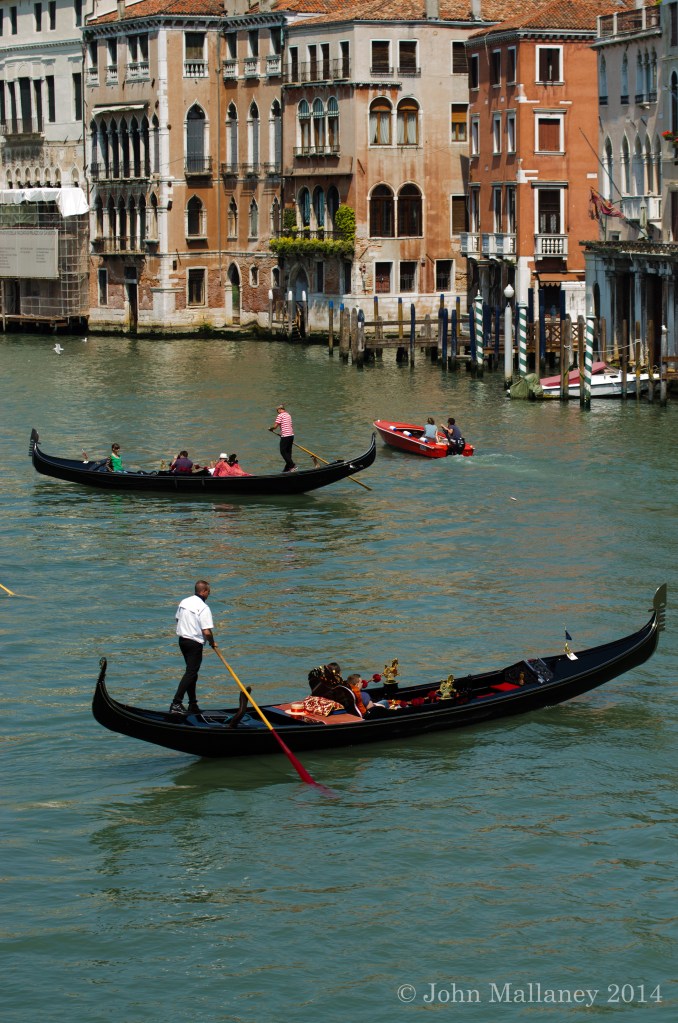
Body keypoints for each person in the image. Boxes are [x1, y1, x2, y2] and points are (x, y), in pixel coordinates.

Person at [170, 580, 215, 715]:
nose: (208, 595)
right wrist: (213, 643)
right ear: (204, 591)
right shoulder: (203, 607)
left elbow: (178, 619)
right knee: (191, 673)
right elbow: (207, 631)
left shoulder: (184, 602)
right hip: (194, 643)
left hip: (183, 641)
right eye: (208, 592)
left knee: (192, 673)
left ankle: (193, 704)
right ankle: (176, 703)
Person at [268, 403, 296, 472]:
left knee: (283, 451)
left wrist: (270, 428)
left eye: (277, 410)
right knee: (288, 452)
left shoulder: (280, 415)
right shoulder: (288, 415)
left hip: (285, 436)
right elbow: (288, 426)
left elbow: (275, 426)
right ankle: (287, 468)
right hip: (291, 435)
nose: (277, 412)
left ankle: (292, 466)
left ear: (279, 409)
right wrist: (281, 433)